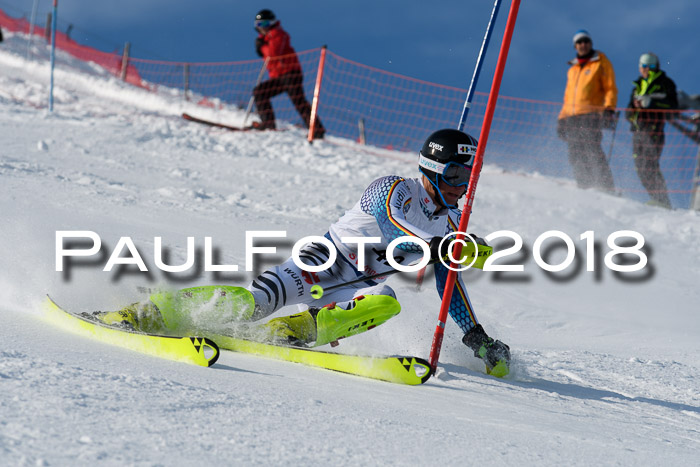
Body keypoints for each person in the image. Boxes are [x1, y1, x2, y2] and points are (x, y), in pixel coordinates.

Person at [95, 129, 510, 375]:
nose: (461, 183)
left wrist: (476, 336)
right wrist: (438, 245)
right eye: (455, 172)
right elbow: (396, 227)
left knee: (386, 302)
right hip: (320, 264)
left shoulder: (449, 226)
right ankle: (150, 311)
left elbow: (449, 286)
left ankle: (297, 330)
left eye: (468, 174)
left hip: (352, 288)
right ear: (433, 170)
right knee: (254, 302)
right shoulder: (394, 189)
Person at [557, 29, 617, 192]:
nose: (583, 45)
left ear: (590, 44)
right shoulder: (573, 69)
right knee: (575, 152)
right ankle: (584, 186)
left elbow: (610, 87)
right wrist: (561, 119)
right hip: (572, 116)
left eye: (585, 41)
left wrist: (609, 109)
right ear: (575, 46)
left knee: (591, 148)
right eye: (579, 42)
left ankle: (606, 186)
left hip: (591, 115)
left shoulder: (600, 62)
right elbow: (568, 97)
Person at [251, 9, 325, 139]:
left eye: (264, 24)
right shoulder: (265, 39)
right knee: (260, 92)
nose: (262, 28)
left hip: (290, 74)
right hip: (278, 77)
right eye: (259, 25)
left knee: (298, 101)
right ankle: (268, 124)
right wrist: (261, 45)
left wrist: (262, 47)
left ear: (272, 23)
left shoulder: (278, 34)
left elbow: (273, 54)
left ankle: (317, 129)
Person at [625, 53, 677, 209]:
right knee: (640, 166)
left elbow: (672, 106)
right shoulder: (638, 85)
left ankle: (662, 200)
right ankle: (658, 199)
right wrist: (635, 107)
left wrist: (651, 102)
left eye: (651, 66)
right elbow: (628, 113)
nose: (647, 69)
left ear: (657, 66)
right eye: (644, 66)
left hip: (654, 129)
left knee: (649, 163)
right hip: (638, 131)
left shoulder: (665, 83)